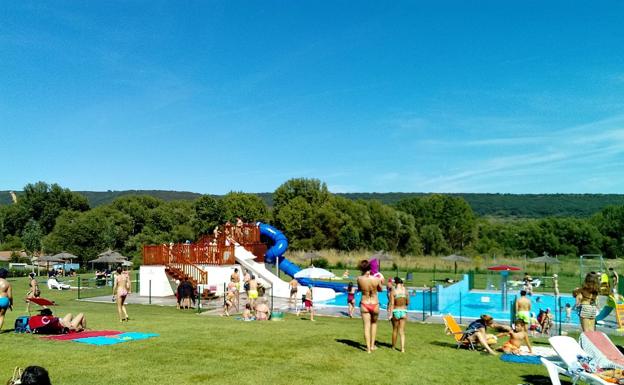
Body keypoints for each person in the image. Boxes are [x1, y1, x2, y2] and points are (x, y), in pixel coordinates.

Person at [357, 260, 382, 353]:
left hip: (364, 303)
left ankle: (368, 349)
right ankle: (372, 346)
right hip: (375, 303)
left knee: (366, 326)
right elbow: (380, 289)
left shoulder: (359, 279)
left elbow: (360, 289)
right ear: (370, 268)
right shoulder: (377, 279)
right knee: (374, 324)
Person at [390, 277, 409, 352]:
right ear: (401, 283)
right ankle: (402, 349)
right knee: (402, 331)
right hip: (403, 311)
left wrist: (390, 314)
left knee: (395, 330)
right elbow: (408, 302)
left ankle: (393, 347)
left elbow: (392, 303)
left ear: (395, 283)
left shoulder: (393, 292)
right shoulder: (406, 291)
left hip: (396, 311)